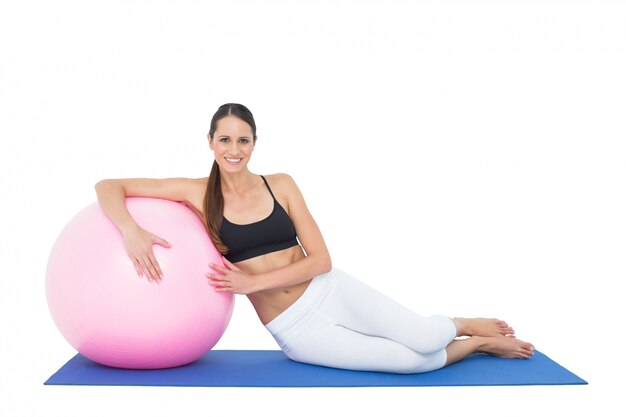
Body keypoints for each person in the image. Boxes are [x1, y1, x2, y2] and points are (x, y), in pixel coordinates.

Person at [94, 102, 535, 374]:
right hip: (294, 329)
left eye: (243, 140)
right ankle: (479, 345)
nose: (234, 149)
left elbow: (321, 260)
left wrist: (249, 283)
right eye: (224, 139)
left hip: (328, 290)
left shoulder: (280, 184)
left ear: (254, 143)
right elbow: (108, 186)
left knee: (422, 337)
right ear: (210, 141)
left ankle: (459, 325)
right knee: (411, 364)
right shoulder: (194, 192)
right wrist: (131, 231)